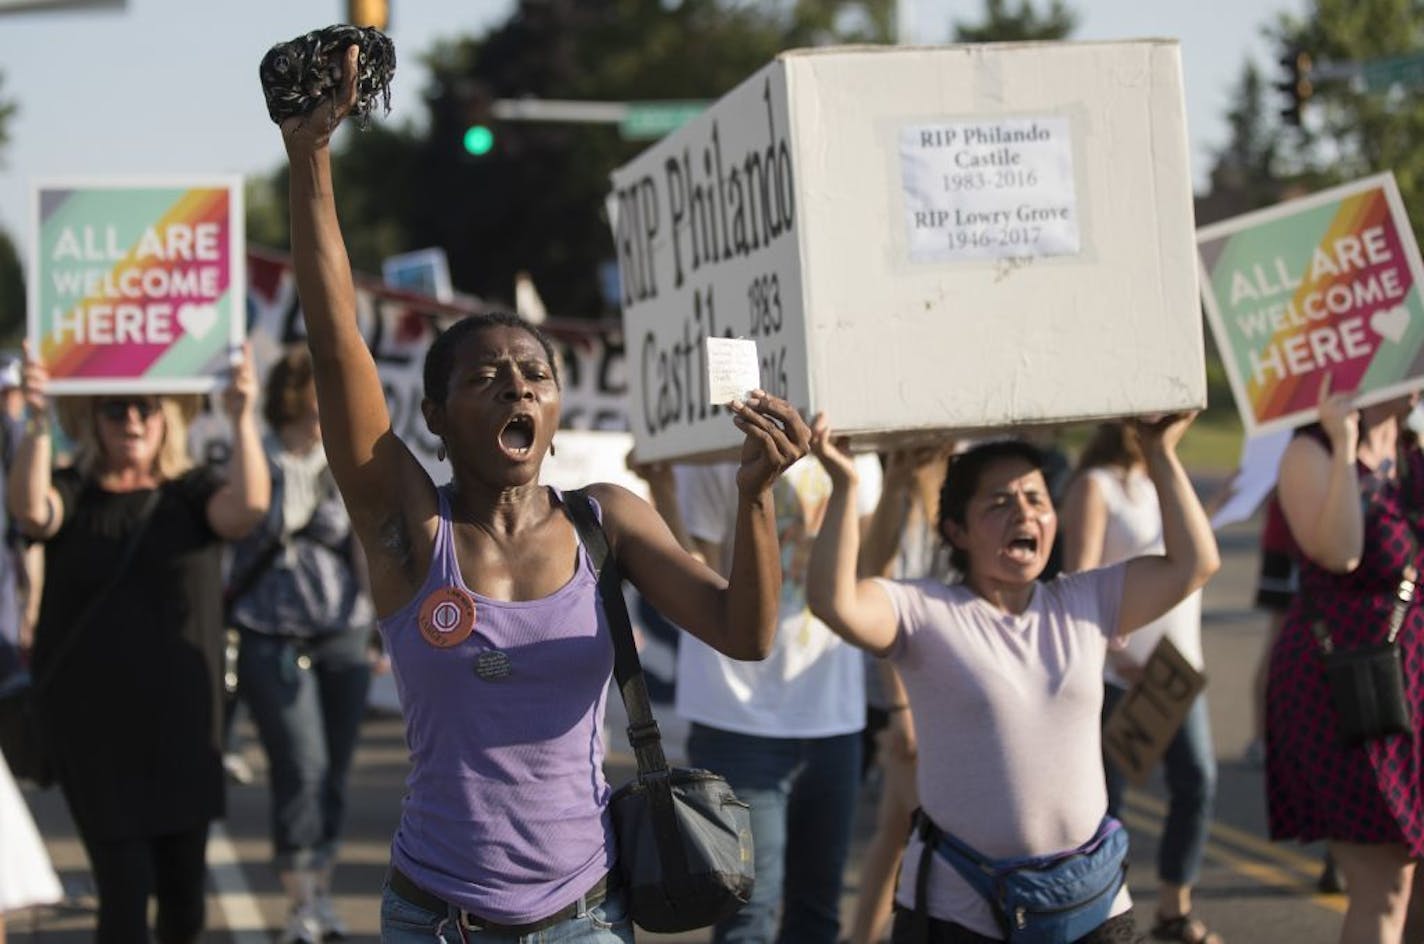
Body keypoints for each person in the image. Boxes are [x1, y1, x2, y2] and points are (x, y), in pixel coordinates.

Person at [278, 48, 812, 943]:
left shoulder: (608, 520)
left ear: (556, 409)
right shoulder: (410, 526)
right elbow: (338, 351)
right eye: (487, 378)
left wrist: (755, 496)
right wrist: (309, 160)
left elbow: (748, 634)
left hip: (584, 917)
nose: (517, 389)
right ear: (436, 416)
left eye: (534, 375)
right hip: (434, 918)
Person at [806, 414, 1219, 944]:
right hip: (962, 914)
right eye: (999, 503)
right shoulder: (926, 610)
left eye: (1035, 499)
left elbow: (1194, 563)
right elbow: (833, 601)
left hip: (1091, 907)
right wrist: (846, 486)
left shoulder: (1086, 600)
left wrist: (1159, 451)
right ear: (956, 530)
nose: (1024, 512)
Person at [6, 342, 270, 944]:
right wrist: (39, 417)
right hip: (94, 734)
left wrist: (241, 413)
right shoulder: (73, 491)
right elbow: (29, 512)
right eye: (116, 408)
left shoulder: (191, 493)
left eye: (145, 408)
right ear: (94, 421)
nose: (131, 420)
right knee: (124, 899)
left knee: (184, 904)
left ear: (166, 418)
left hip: (184, 729)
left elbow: (248, 508)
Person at [674, 445, 882, 944]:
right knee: (749, 914)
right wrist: (661, 486)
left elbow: (870, 570)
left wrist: (862, 481)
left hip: (832, 719)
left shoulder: (861, 453)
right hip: (737, 717)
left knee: (818, 908)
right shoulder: (708, 447)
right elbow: (692, 571)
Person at [1266, 379, 1424, 944]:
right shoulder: (1311, 450)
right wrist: (1345, 440)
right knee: (1383, 884)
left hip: (1414, 684)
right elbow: (1340, 551)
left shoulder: (1411, 452)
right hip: (1350, 687)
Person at [226, 348, 375, 943]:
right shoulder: (256, 455)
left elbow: (363, 547)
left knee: (335, 770)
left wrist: (388, 623)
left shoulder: (345, 460)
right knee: (302, 766)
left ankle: (322, 893)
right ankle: (298, 900)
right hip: (270, 632)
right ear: (293, 397)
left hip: (342, 629)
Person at [1059, 421, 1220, 944]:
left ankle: (1174, 909)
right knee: (1112, 804)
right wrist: (1111, 653)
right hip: (1119, 675)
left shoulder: (1160, 479)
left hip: (1175, 674)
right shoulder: (1095, 485)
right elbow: (1079, 578)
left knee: (1197, 780)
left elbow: (1188, 556)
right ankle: (1104, 913)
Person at [849, 444, 953, 944]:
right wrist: (901, 708)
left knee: (896, 829)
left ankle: (861, 936)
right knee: (931, 837)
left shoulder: (960, 481)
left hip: (951, 685)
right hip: (908, 691)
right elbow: (873, 580)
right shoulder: (901, 489)